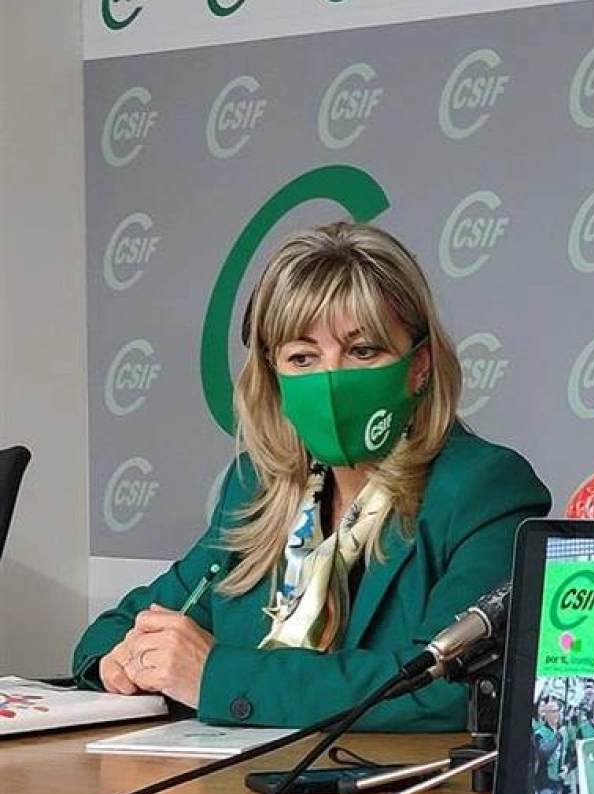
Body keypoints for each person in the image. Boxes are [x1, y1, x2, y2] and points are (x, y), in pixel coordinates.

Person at [72, 222, 551, 731]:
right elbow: (117, 630)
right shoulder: (258, 487)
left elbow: (453, 687)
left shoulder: (483, 488)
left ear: (419, 366)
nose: (330, 380)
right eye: (302, 358)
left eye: (362, 351)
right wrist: (121, 662)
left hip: (383, 782)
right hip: (235, 776)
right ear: (274, 378)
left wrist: (215, 677)